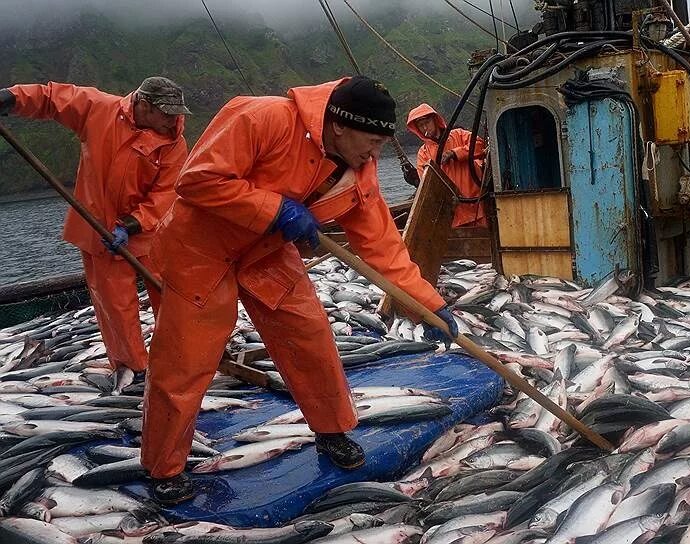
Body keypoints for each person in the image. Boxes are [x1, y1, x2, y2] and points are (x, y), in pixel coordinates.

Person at [140, 76, 460, 505]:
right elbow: (196, 180)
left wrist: (430, 305)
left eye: (383, 144)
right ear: (341, 126)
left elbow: (384, 249)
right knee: (185, 358)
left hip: (266, 253)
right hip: (199, 248)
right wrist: (274, 207)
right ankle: (165, 468)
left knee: (310, 336)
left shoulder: (359, 175)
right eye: (372, 141)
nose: (375, 154)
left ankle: (331, 430)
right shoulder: (261, 117)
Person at [0, 77, 190, 374]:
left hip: (150, 232)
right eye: (165, 112)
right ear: (143, 105)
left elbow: (167, 192)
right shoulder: (99, 109)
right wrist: (10, 99)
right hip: (99, 231)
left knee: (172, 294)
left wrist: (131, 224)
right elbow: (53, 98)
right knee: (115, 307)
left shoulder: (174, 141)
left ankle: (184, 358)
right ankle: (132, 371)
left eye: (175, 113)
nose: (172, 119)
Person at [406, 104, 488, 227]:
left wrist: (455, 153)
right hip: (453, 215)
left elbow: (480, 145)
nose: (424, 127)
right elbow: (427, 184)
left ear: (435, 120)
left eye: (426, 122)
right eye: (420, 126)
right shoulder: (423, 153)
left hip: (477, 205)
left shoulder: (458, 135)